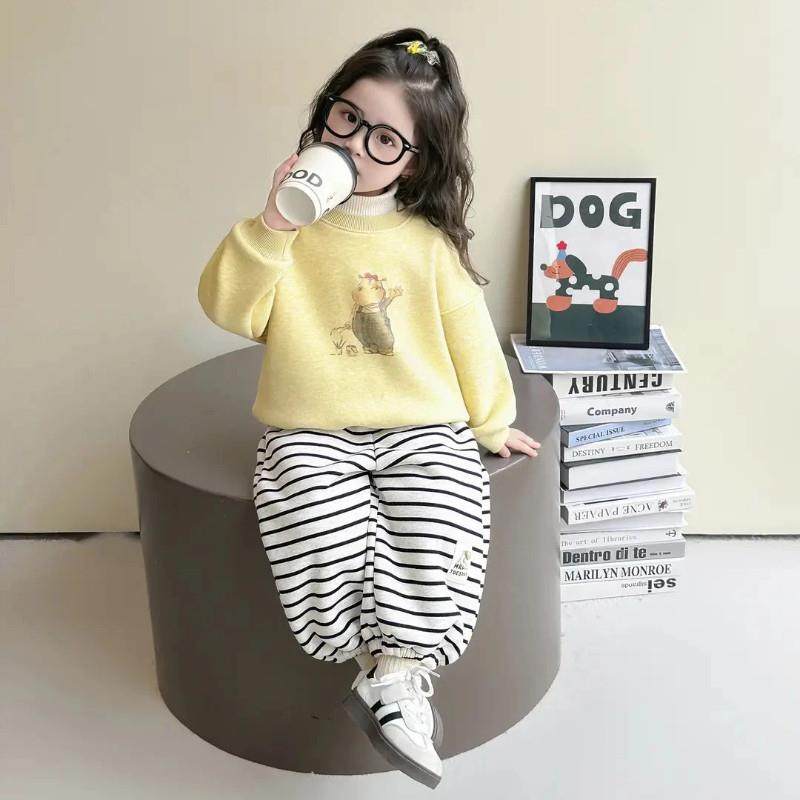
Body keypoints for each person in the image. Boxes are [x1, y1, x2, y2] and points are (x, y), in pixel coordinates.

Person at [197, 28, 541, 789]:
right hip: (310, 426)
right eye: (346, 118)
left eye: (384, 138)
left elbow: (468, 334)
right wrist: (273, 226)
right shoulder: (286, 234)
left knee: (442, 518)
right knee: (312, 519)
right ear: (326, 111)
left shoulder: (426, 243)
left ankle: (399, 679)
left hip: (423, 423)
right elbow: (230, 309)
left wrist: (490, 421)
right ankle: (374, 666)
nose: (353, 145)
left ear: (413, 161)